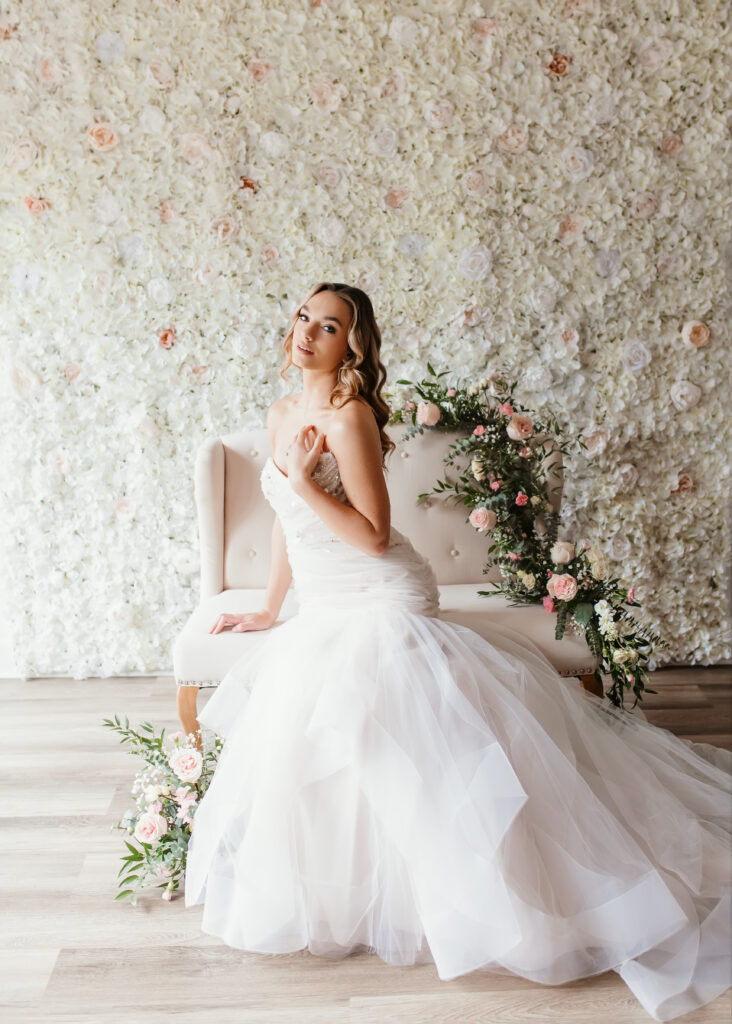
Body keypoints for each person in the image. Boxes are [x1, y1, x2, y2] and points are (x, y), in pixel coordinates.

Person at [184, 282, 731, 1022]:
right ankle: (366, 891)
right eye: (303, 318)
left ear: (354, 346)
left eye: (330, 325)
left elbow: (373, 535)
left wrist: (304, 484)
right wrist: (269, 607)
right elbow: (287, 523)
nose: (308, 332)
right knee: (323, 738)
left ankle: (494, 898)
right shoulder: (283, 413)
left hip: (381, 595)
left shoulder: (349, 420)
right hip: (325, 603)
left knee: (400, 735)